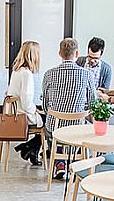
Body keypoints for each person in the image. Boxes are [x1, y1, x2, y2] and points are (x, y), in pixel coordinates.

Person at [41, 37, 99, 178]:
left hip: (55, 126)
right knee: (85, 127)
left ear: (59, 53)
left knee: (52, 127)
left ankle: (59, 163)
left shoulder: (49, 74)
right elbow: (93, 104)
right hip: (77, 126)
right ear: (77, 53)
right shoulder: (87, 74)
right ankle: (77, 162)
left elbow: (45, 106)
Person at [5, 41, 43, 165]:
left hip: (14, 111)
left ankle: (31, 149)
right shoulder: (26, 74)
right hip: (23, 115)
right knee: (51, 121)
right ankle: (30, 147)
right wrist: (35, 110)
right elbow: (26, 102)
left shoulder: (16, 70)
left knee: (46, 119)